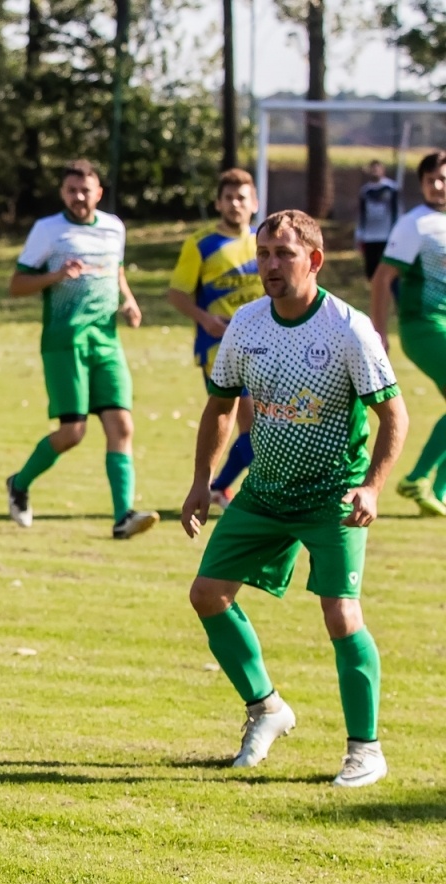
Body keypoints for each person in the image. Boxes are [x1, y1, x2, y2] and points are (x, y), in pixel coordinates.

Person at [182, 210, 407, 788]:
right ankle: (266, 708)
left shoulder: (349, 329)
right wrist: (202, 481)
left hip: (333, 495)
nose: (271, 265)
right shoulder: (246, 324)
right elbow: (220, 406)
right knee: (207, 594)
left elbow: (394, 416)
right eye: (263, 254)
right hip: (265, 491)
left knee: (341, 614)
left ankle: (366, 750)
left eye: (284, 253)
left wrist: (372, 487)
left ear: (315, 260)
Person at [5, 159, 158, 538]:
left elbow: (116, 270)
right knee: (73, 433)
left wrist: (128, 301)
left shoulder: (113, 227)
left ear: (98, 193)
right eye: (71, 190)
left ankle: (123, 517)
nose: (78, 197)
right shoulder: (48, 230)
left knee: (121, 425)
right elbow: (17, 285)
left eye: (85, 190)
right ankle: (19, 483)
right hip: (65, 342)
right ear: (62, 193)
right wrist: (56, 275)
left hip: (106, 342)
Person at [165, 168, 264, 509]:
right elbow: (177, 294)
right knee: (254, 427)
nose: (235, 204)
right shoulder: (202, 244)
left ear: (254, 203)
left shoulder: (264, 243)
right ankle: (226, 489)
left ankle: (219, 488)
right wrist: (206, 319)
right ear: (218, 203)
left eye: (242, 198)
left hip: (263, 347)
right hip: (219, 349)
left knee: (259, 429)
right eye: (229, 198)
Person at [369, 149, 446, 517]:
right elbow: (382, 278)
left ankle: (437, 493)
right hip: (423, 325)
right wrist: (379, 331)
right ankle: (417, 479)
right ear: (422, 184)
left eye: (443, 179)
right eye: (432, 180)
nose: (438, 186)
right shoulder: (414, 224)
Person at [357, 159, 402, 280]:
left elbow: (397, 211)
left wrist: (397, 232)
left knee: (387, 268)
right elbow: (362, 214)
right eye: (372, 169)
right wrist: (360, 234)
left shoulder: (391, 188)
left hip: (386, 236)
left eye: (377, 169)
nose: (375, 172)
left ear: (383, 170)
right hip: (369, 236)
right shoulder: (365, 191)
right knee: (371, 270)